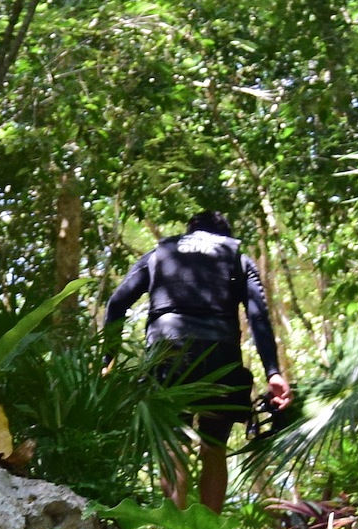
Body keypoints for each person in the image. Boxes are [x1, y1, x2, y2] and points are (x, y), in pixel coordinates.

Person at [101, 210, 291, 513]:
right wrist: (273, 372)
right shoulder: (237, 257)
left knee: (171, 445)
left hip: (168, 353)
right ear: (225, 235)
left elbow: (117, 303)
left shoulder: (159, 253)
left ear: (189, 231)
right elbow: (258, 317)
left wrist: (108, 357)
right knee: (214, 447)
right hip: (219, 357)